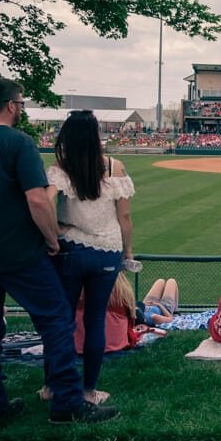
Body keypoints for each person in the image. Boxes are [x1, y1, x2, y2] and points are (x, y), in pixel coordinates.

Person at [0, 78, 117, 424]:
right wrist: (51, 240)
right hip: (17, 252)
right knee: (57, 322)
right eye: (22, 104)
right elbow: (37, 200)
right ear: (12, 105)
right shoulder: (19, 142)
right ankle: (67, 404)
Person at [46, 109, 135, 406]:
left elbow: (44, 203)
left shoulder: (61, 166)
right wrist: (128, 252)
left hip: (70, 249)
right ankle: (88, 391)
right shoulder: (113, 166)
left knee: (63, 320)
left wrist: (57, 228)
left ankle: (53, 386)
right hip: (106, 251)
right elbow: (125, 217)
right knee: (95, 320)